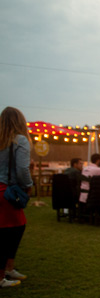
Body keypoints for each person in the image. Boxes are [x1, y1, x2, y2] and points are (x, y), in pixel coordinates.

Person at [0, 107, 33, 288]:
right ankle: (2, 274)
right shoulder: (20, 140)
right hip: (7, 191)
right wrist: (29, 185)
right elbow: (22, 169)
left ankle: (8, 267)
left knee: (14, 228)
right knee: (10, 232)